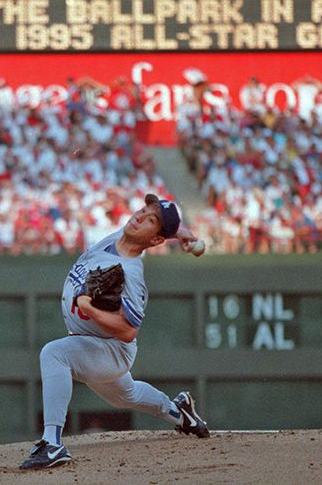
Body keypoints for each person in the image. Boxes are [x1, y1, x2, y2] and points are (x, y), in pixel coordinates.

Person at [20, 193, 210, 470]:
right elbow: (150, 230)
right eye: (144, 209)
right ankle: (181, 414)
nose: (140, 216)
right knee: (127, 395)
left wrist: (91, 309)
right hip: (92, 343)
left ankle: (52, 444)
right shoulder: (120, 237)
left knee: (54, 354)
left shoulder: (131, 273)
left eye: (151, 219)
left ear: (155, 240)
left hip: (111, 349)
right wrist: (180, 232)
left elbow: (128, 330)